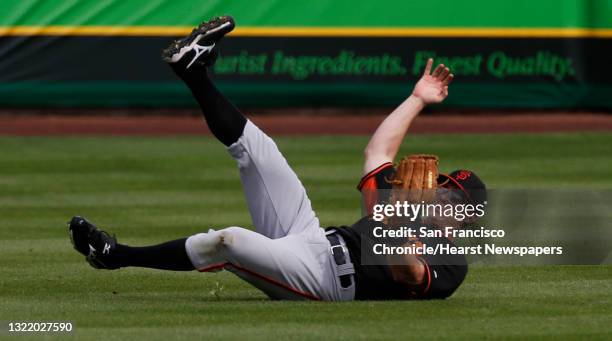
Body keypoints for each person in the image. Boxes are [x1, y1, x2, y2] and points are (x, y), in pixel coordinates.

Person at [68, 16, 486, 301]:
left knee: (229, 240)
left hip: (326, 282)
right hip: (314, 238)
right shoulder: (402, 205)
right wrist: (416, 99)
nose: (435, 191)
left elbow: (407, 274)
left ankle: (115, 256)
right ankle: (194, 72)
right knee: (258, 151)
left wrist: (394, 227)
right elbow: (378, 151)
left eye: (448, 195)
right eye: (442, 186)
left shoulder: (453, 264)